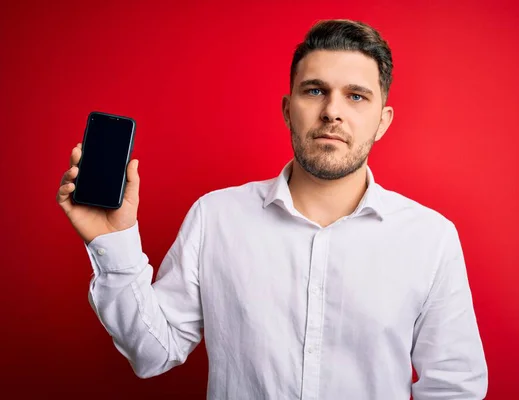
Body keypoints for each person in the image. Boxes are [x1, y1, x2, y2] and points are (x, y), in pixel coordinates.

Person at [57, 19, 487, 400]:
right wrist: (112, 242)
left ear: (383, 120)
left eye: (356, 96)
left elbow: (454, 387)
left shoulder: (430, 239)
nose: (332, 112)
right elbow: (153, 354)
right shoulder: (216, 218)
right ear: (287, 109)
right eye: (315, 90)